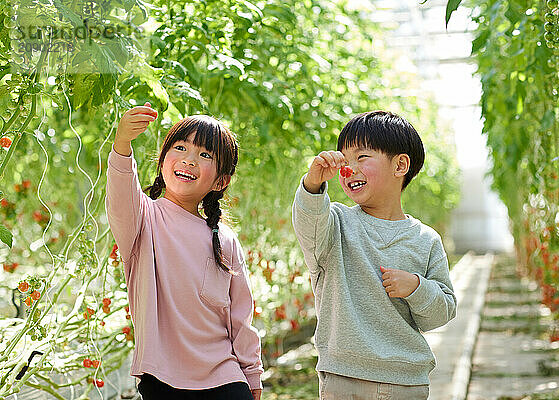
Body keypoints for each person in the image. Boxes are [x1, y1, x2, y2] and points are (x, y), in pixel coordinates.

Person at [292, 110, 457, 399]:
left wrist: (417, 287)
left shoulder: (426, 240)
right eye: (344, 160)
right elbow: (308, 223)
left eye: (362, 157)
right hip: (343, 377)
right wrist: (313, 183)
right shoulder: (335, 224)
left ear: (400, 165)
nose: (348, 169)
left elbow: (442, 312)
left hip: (406, 381)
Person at [106, 102, 263, 400]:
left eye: (205, 155)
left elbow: (241, 317)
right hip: (161, 379)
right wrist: (122, 143)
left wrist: (252, 375)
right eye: (180, 148)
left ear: (220, 181)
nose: (189, 160)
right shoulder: (142, 220)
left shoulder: (224, 239)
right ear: (162, 161)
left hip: (225, 377)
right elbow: (119, 193)